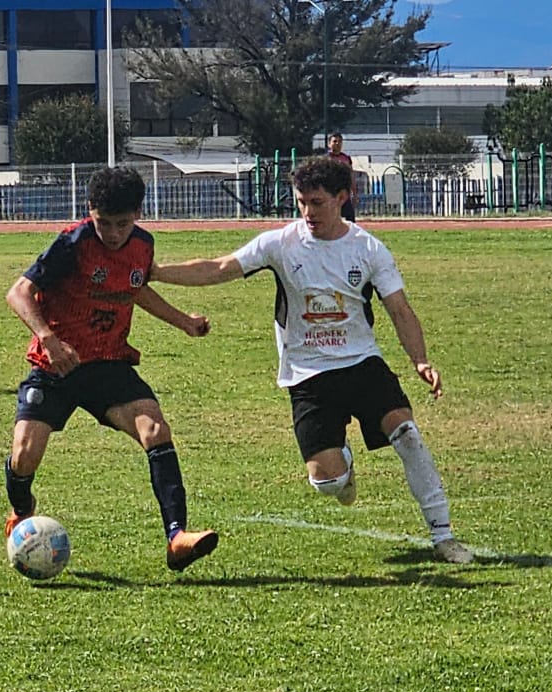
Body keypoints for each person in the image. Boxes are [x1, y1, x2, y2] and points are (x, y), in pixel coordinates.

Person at [149, 156, 473, 564]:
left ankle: (443, 535)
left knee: (406, 433)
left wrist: (420, 360)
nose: (307, 212)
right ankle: (344, 466)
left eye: (317, 202)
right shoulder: (279, 243)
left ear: (343, 198)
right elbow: (219, 268)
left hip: (361, 364)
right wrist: (158, 273)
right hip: (308, 375)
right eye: (301, 202)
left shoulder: (369, 248)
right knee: (327, 482)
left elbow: (400, 309)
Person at [3, 166, 218, 573]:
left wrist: (183, 322)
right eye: (104, 223)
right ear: (90, 211)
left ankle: (177, 537)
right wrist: (49, 338)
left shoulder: (143, 246)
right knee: (24, 456)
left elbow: (134, 288)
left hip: (109, 364)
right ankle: (21, 507)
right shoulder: (73, 243)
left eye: (123, 223)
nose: (114, 233)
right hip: (56, 367)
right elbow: (18, 293)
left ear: (139, 212)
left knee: (156, 430)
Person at [326, 133, 357, 221]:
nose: (337, 144)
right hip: (330, 194)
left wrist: (354, 193)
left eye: (339, 141)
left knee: (350, 218)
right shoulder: (325, 159)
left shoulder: (346, 158)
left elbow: (351, 176)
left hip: (343, 194)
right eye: (334, 141)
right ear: (329, 144)